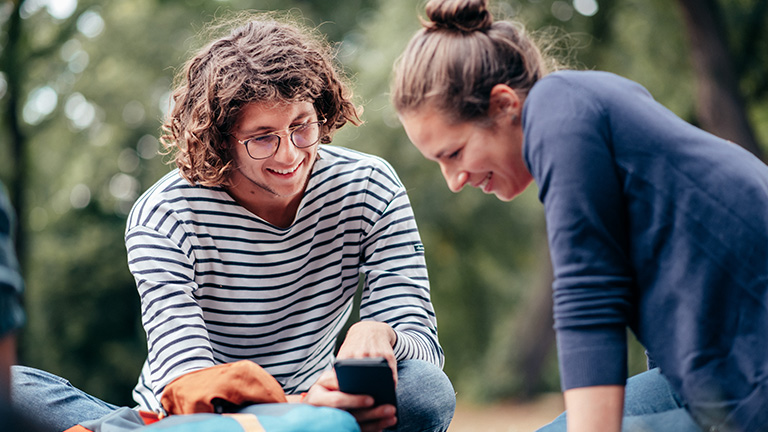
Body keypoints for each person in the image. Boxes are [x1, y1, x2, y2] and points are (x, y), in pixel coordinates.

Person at [12, 12, 455, 432]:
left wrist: (382, 333)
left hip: (326, 411)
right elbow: (188, 380)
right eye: (263, 138)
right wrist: (304, 409)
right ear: (222, 141)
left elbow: (423, 346)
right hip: (198, 421)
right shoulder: (165, 214)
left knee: (424, 390)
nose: (290, 154)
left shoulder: (370, 187)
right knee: (13, 388)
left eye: (302, 126)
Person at [391, 0, 768, 431]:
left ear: (502, 105)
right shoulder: (579, 110)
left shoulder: (559, 108)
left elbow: (589, 298)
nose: (454, 180)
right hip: (710, 378)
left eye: (454, 153)